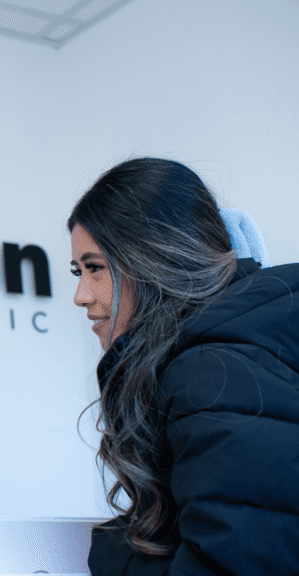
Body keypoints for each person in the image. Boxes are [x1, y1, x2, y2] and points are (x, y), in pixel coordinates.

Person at [67, 157, 299, 575]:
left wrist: (112, 554)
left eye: (95, 268)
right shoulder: (234, 352)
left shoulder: (212, 371)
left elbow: (236, 562)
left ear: (155, 260)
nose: (81, 295)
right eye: (77, 271)